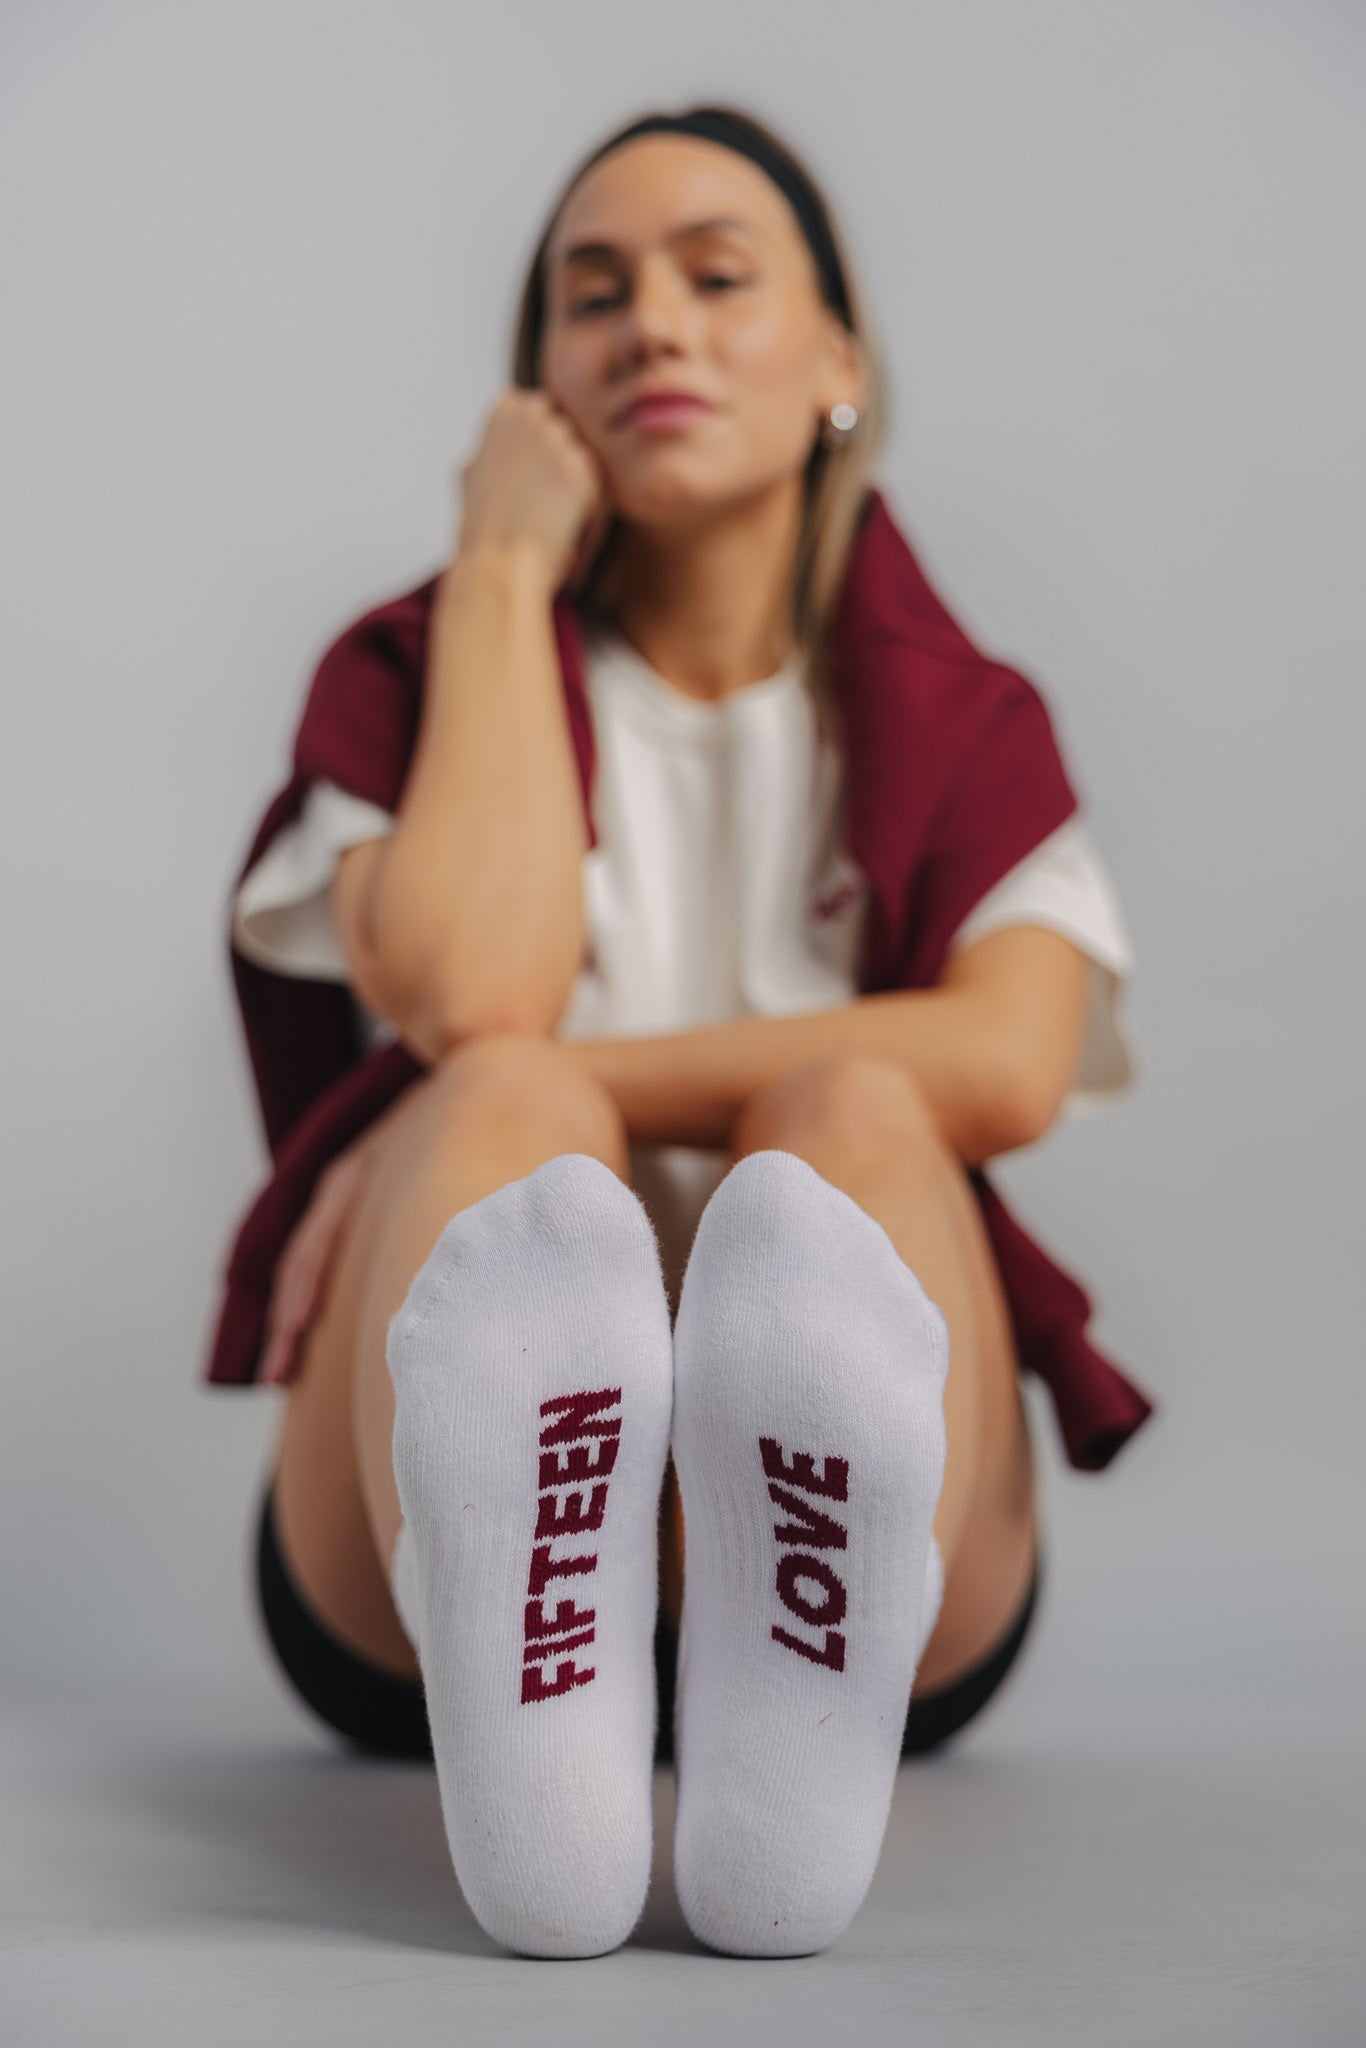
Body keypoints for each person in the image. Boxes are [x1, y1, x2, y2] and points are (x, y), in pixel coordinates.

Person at [207, 104, 1157, 1959]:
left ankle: (789, 1684)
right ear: (533, 391)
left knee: (849, 1111)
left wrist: (562, 1093)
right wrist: (495, 574)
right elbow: (479, 990)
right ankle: (540, 1697)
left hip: (882, 1583)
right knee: (519, 1096)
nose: (650, 324)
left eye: (718, 278)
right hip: (416, 1582)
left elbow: (1009, 1062)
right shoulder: (410, 678)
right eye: (592, 294)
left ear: (837, 361)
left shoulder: (967, 718)